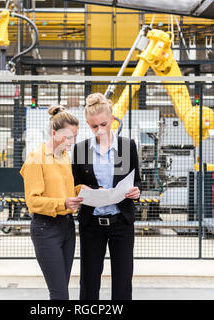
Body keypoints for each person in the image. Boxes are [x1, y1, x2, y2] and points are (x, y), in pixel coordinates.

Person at [72, 92, 141, 300]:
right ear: (87, 124)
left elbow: (136, 180)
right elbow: (74, 184)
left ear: (112, 119)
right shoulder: (81, 149)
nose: (100, 130)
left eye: (104, 124)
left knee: (122, 280)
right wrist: (87, 189)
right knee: (90, 279)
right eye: (94, 127)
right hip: (92, 223)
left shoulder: (127, 147)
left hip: (121, 221)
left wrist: (136, 192)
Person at [20, 105, 83, 300]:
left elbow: (65, 191)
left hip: (67, 228)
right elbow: (33, 201)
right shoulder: (35, 160)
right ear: (54, 133)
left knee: (61, 288)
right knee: (60, 293)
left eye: (74, 137)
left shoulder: (64, 157)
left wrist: (83, 191)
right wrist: (63, 203)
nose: (72, 142)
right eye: (68, 137)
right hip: (46, 229)